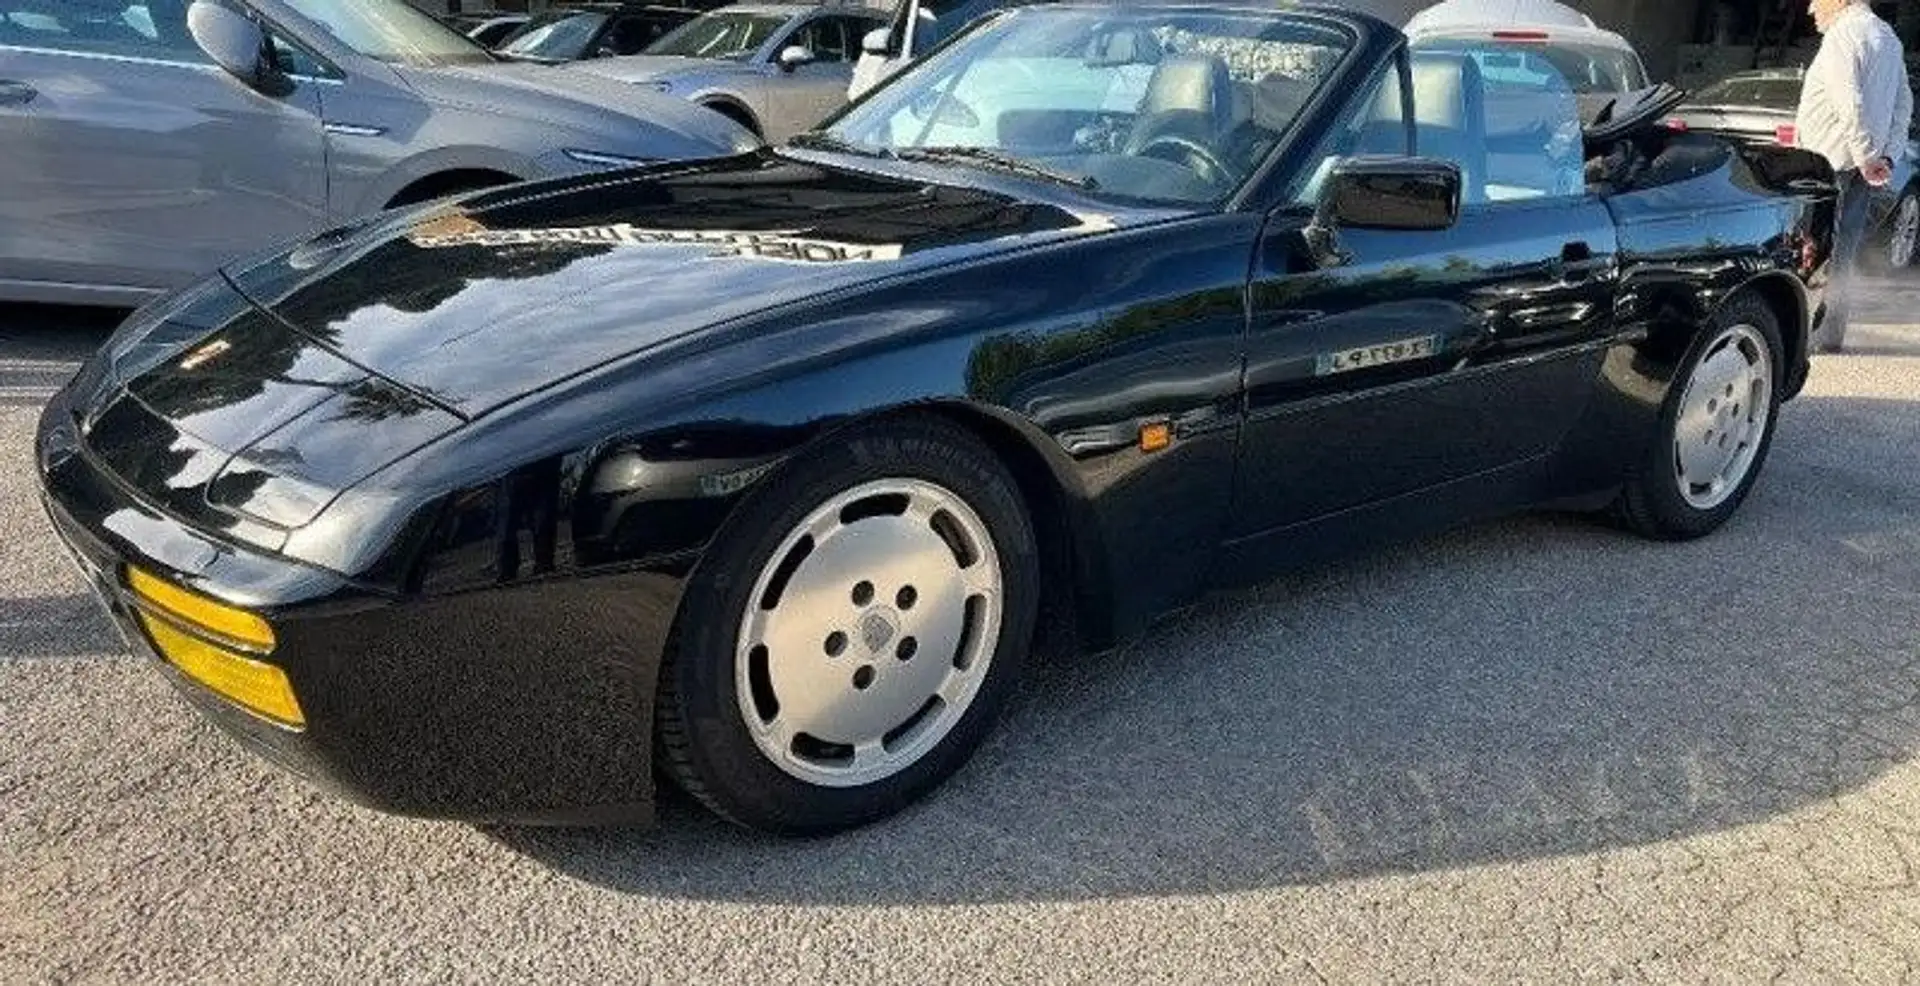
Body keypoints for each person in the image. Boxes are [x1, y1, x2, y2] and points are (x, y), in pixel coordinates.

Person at [1795, 0, 1913, 353]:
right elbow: (1902, 105)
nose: (1812, 12)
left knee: (1811, 245)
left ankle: (1805, 333)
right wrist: (1885, 155)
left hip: (1827, 162)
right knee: (1844, 247)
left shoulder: (1843, 35)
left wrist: (1865, 156)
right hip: (1862, 163)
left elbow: (1849, 100)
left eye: (1817, 4)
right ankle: (1830, 334)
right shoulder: (1889, 38)